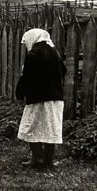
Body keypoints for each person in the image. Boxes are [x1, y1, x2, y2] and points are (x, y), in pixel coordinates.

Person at [16, 28, 66, 170]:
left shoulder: (33, 54)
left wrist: (20, 93)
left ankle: (38, 159)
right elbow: (63, 71)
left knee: (30, 127)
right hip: (55, 99)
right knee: (50, 129)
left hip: (37, 98)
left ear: (32, 39)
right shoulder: (54, 52)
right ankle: (48, 161)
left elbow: (27, 78)